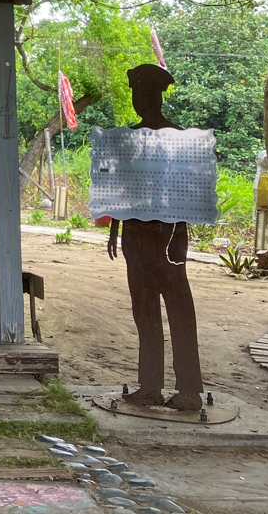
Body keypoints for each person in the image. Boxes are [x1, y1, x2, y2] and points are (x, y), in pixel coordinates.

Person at [105, 63, 204, 411]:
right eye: (136, 95)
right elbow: (120, 190)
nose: (140, 102)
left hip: (168, 237)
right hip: (135, 235)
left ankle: (189, 390)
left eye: (146, 95)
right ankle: (150, 386)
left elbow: (192, 191)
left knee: (178, 308)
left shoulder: (180, 139)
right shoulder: (128, 139)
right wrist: (116, 229)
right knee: (144, 310)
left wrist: (178, 235)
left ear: (158, 96)